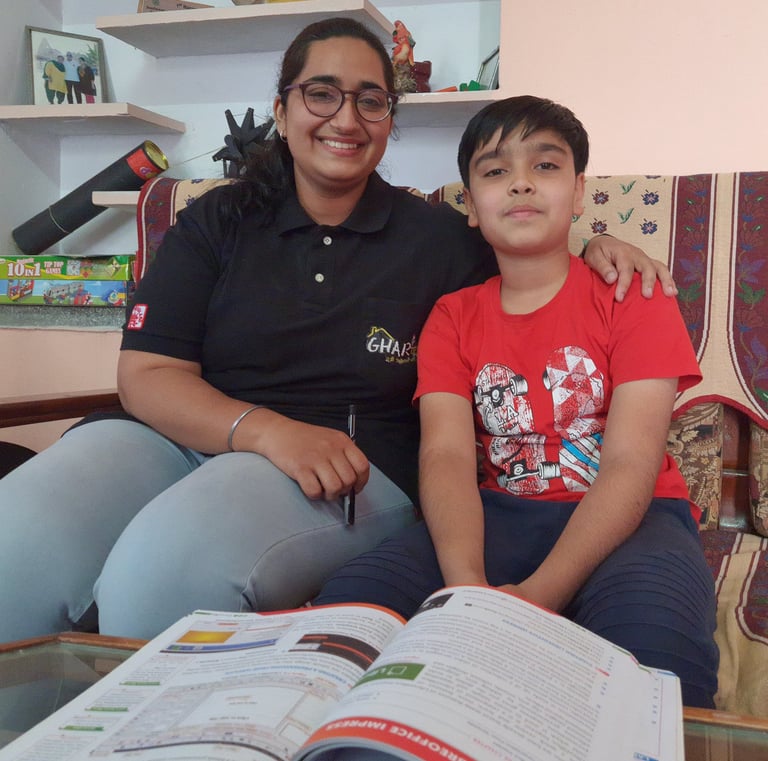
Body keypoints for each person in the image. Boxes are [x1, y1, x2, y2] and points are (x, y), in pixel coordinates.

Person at [0, 19, 673, 645]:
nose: (345, 117)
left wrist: (599, 244)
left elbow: (529, 253)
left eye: (371, 100)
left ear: (388, 122)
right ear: (283, 108)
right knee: (16, 533)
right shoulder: (218, 219)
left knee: (161, 566)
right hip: (175, 439)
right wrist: (267, 431)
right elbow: (146, 374)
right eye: (321, 93)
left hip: (350, 469)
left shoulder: (436, 238)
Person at [313, 95, 719, 708]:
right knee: (339, 620)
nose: (522, 182)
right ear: (472, 207)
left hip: (633, 519)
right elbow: (446, 454)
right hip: (495, 513)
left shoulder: (636, 295)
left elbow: (630, 464)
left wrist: (534, 599)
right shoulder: (453, 316)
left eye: (546, 166)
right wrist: (465, 592)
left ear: (580, 193)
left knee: (661, 666)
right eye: (496, 170)